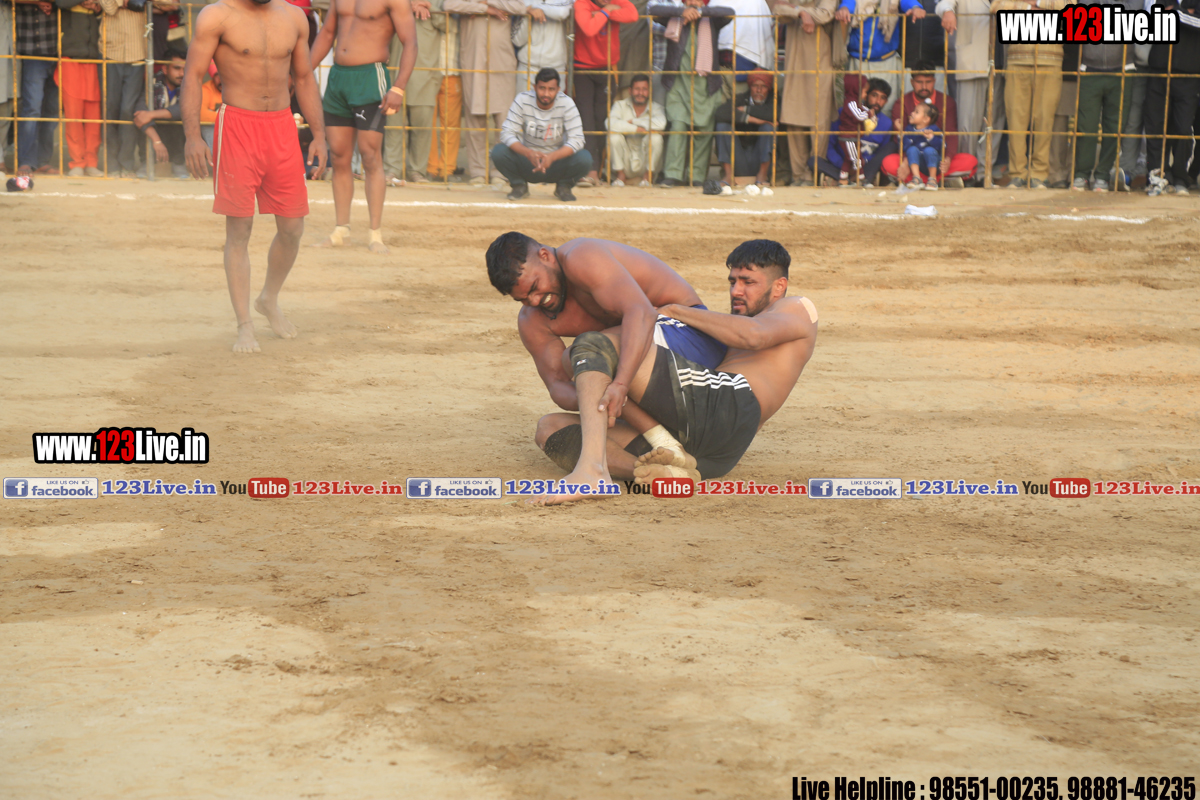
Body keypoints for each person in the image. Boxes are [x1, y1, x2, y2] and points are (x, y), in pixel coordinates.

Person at [530, 239, 818, 503]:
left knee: (596, 346)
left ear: (779, 286)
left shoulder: (798, 307)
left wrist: (676, 310)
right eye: (732, 281)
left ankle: (596, 470)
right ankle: (668, 473)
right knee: (551, 427)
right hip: (709, 448)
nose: (736, 291)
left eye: (748, 282)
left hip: (730, 408)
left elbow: (754, 336)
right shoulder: (734, 325)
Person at [487, 232, 732, 473]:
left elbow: (641, 314)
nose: (534, 301)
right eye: (523, 299)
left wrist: (620, 385)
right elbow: (558, 387)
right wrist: (601, 398)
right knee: (549, 429)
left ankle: (656, 438)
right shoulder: (532, 321)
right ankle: (660, 471)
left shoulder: (581, 256)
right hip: (652, 388)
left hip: (692, 342)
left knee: (580, 353)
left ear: (545, 256)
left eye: (535, 287)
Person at [181, 0, 328, 354]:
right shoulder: (217, 15)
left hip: (282, 125)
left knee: (293, 228)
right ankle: (244, 324)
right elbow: (193, 75)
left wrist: (320, 135)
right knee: (239, 229)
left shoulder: (294, 17)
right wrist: (192, 136)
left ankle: (268, 299)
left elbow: (303, 77)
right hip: (237, 125)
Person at [309, 0, 419, 254]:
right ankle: (341, 230)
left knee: (370, 155)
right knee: (339, 155)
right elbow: (327, 32)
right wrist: (302, 73)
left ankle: (374, 233)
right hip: (338, 78)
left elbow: (410, 42)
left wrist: (399, 87)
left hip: (370, 77)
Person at [648, 0, 735, 187]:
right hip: (679, 85)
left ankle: (696, 177)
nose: (694, 1)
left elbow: (729, 12)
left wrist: (700, 12)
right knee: (677, 127)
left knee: (704, 131)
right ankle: (672, 175)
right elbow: (653, 10)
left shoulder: (712, 20)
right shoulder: (674, 17)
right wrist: (682, 12)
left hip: (706, 86)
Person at [990, 0, 1074, 189]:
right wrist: (1030, 8)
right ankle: (1017, 174)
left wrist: (1036, 2)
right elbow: (996, 6)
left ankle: (1039, 174)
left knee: (1044, 120)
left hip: (1051, 61)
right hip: (1017, 60)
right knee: (1016, 120)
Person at [443, 0, 528, 184]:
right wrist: (485, 9)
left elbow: (520, 8)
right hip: (473, 62)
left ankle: (500, 171)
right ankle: (478, 172)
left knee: (504, 121)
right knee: (475, 120)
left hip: (502, 62)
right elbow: (449, 5)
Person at [1070, 0, 1140, 192]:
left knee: (1115, 126)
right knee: (1086, 125)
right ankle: (1082, 174)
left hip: (1123, 69)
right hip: (1089, 69)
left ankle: (1102, 175)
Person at [492, 67, 592, 200]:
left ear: (558, 89)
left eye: (551, 89)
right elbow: (506, 133)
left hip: (557, 163)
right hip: (528, 161)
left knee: (584, 158)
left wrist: (552, 157)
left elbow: (577, 140)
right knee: (499, 152)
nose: (546, 94)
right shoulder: (522, 100)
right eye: (542, 88)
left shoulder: (567, 103)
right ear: (534, 87)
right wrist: (528, 153)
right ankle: (519, 185)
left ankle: (564, 187)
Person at [770, 0, 837, 186]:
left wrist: (796, 10)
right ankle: (798, 175)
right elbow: (777, 9)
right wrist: (801, 13)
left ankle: (814, 173)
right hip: (794, 69)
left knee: (819, 123)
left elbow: (825, 14)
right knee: (793, 121)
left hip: (821, 68)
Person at [572, 0, 638, 187]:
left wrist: (602, 13)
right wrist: (608, 12)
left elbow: (633, 15)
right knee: (585, 120)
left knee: (603, 120)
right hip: (582, 68)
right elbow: (588, 29)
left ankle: (597, 172)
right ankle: (588, 171)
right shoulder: (582, 3)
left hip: (607, 68)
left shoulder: (613, 1)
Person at [880, 61, 977, 184]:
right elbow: (900, 139)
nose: (924, 87)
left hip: (937, 157)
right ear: (912, 82)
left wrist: (947, 159)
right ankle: (940, 180)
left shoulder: (947, 102)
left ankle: (920, 180)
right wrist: (905, 162)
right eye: (919, 82)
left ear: (934, 81)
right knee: (888, 162)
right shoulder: (902, 103)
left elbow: (951, 134)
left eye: (928, 82)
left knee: (970, 161)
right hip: (912, 158)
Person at [1143, 0, 1200, 196]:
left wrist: (1175, 12)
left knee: (1183, 128)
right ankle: (1157, 176)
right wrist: (1186, 15)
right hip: (1158, 72)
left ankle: (1181, 177)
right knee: (1155, 126)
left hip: (1188, 76)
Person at [834, 0, 926, 118]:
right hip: (857, 61)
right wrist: (844, 9)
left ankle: (883, 131)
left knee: (885, 108)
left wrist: (915, 7)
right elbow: (849, 3)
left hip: (885, 62)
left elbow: (906, 1)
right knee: (855, 107)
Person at [382, 0, 438, 185]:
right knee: (393, 125)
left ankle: (417, 172)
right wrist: (406, 6)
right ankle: (392, 169)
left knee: (422, 127)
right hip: (395, 74)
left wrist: (429, 7)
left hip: (425, 74)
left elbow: (449, 23)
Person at [935, 0, 988, 166]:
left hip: (1003, 61)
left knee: (995, 121)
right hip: (973, 61)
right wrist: (948, 11)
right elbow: (943, 3)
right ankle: (966, 167)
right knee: (968, 122)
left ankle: (984, 170)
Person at [99, 0, 147, 178]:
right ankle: (111, 164)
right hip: (111, 51)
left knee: (128, 110)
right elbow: (109, 7)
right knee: (110, 109)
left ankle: (126, 163)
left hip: (137, 52)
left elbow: (167, 3)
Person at [56, 0, 104, 177]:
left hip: (94, 60)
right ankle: (77, 162)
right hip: (70, 59)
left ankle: (91, 162)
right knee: (73, 115)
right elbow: (60, 2)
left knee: (94, 118)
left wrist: (97, 6)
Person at [14, 0, 60, 176]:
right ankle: (26, 161)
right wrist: (37, 1)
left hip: (57, 52)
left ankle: (42, 161)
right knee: (32, 108)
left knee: (52, 111)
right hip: (31, 52)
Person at [133, 43, 191, 179]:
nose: (182, 74)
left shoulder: (189, 84)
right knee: (143, 122)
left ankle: (178, 163)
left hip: (176, 134)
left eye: (185, 69)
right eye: (177, 68)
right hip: (155, 131)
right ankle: (147, 162)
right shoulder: (151, 83)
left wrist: (151, 114)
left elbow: (184, 109)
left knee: (183, 120)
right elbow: (139, 113)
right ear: (165, 69)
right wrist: (156, 141)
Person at [824, 76, 893, 185]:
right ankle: (857, 180)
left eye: (883, 98)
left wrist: (865, 161)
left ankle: (840, 181)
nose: (877, 101)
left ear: (886, 101)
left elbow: (880, 153)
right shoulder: (844, 112)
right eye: (874, 95)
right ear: (866, 95)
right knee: (813, 161)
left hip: (865, 166)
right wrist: (841, 164)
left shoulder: (887, 123)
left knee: (890, 147)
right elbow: (829, 145)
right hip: (842, 165)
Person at [714, 68, 776, 187]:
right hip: (739, 160)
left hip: (760, 160)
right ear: (750, 86)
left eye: (763, 86)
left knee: (768, 128)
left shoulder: (774, 100)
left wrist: (746, 110)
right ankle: (729, 175)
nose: (759, 90)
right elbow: (720, 113)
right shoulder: (742, 98)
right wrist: (752, 119)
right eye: (755, 86)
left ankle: (763, 175)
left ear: (768, 88)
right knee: (722, 126)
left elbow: (774, 113)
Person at [605, 72, 667, 186]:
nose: (640, 93)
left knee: (656, 138)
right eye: (637, 89)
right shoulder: (620, 105)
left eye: (644, 89)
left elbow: (661, 124)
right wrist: (638, 129)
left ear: (650, 91)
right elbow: (609, 123)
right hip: (625, 162)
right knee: (613, 136)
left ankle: (647, 177)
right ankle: (620, 176)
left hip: (646, 164)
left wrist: (634, 121)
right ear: (630, 91)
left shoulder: (657, 108)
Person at [516, 0, 572, 95]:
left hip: (556, 67)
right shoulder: (524, 2)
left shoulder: (529, 5)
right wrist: (527, 14)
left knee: (556, 105)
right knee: (524, 104)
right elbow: (517, 41)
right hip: (527, 66)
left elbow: (561, 13)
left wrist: (535, 8)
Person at [899, 100, 941, 188]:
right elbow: (904, 147)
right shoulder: (909, 129)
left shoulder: (934, 129)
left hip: (934, 163)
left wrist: (931, 138)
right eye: (913, 111)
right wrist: (901, 133)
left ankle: (933, 179)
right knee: (911, 149)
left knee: (929, 150)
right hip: (919, 164)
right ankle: (916, 178)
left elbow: (943, 146)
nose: (912, 113)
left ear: (926, 119)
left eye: (916, 112)